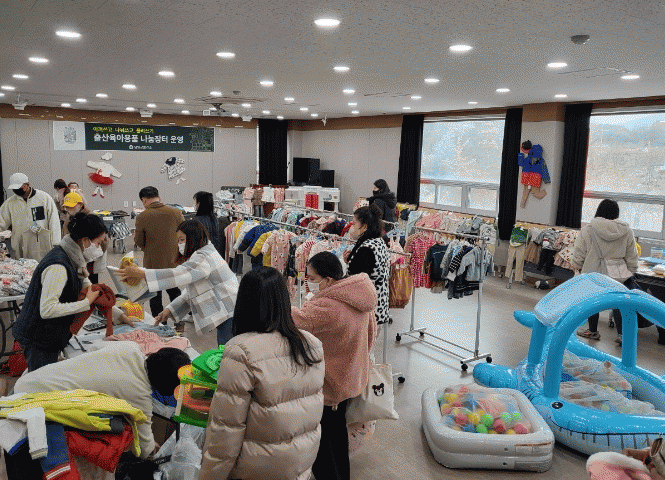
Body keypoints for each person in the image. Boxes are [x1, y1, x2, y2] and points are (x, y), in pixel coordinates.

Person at [200, 267, 324, 480]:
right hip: (300, 464)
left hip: (256, 469)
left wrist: (209, 476)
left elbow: (225, 431)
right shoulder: (311, 344)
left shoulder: (241, 351)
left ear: (244, 302)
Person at [12, 342, 190, 459]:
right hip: (29, 405)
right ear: (166, 387)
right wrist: (153, 448)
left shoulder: (130, 348)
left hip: (30, 379)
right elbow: (144, 450)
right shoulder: (140, 394)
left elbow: (94, 348)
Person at [292, 252, 378, 480]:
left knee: (322, 444)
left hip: (329, 385)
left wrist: (274, 299)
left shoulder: (328, 307)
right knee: (338, 437)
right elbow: (371, 337)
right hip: (351, 378)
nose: (307, 282)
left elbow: (295, 320)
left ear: (328, 280)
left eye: (311, 277)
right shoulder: (360, 297)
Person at [118, 219, 238, 346]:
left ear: (193, 238)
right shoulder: (204, 253)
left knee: (228, 349)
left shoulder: (203, 257)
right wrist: (170, 310)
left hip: (230, 311)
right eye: (178, 241)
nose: (180, 244)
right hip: (228, 310)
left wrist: (143, 273)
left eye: (182, 240)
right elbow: (191, 292)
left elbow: (179, 274)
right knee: (225, 347)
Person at [12, 213, 106, 371]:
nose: (99, 248)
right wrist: (85, 303)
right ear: (85, 240)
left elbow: (91, 289)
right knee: (43, 381)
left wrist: (118, 315)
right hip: (39, 337)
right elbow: (47, 309)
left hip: (49, 334)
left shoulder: (74, 258)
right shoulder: (59, 266)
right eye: (98, 243)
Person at [572, 199, 639, 341]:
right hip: (618, 274)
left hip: (592, 272)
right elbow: (632, 254)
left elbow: (579, 252)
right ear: (616, 213)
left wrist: (577, 265)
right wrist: (632, 270)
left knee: (592, 301)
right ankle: (622, 335)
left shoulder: (588, 229)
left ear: (599, 211)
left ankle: (592, 331)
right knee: (619, 303)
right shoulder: (626, 231)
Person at [134, 186, 184, 317]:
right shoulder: (176, 212)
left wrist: (148, 247)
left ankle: (160, 322)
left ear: (144, 200)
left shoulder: (142, 217)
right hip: (173, 261)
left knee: (155, 296)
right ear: (158, 197)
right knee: (174, 291)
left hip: (153, 263)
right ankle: (180, 320)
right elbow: (184, 234)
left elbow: (138, 241)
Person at [344, 204, 390, 325]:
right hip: (378, 306)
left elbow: (357, 281)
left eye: (354, 223)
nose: (351, 227)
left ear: (364, 227)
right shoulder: (378, 241)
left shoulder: (366, 249)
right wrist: (351, 260)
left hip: (367, 312)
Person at [0, 173, 61, 261]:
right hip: (21, 244)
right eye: (14, 188)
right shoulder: (10, 203)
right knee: (24, 268)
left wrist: (56, 243)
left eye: (19, 187)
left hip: (41, 244)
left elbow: (54, 221)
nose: (16, 190)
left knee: (43, 265)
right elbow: (1, 220)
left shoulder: (44, 198)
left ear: (27, 185)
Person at [62, 191, 108, 284]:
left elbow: (103, 240)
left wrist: (95, 251)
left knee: (92, 282)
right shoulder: (68, 220)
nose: (69, 209)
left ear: (80, 205)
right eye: (67, 207)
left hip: (91, 259)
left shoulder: (90, 218)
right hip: (75, 258)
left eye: (71, 206)